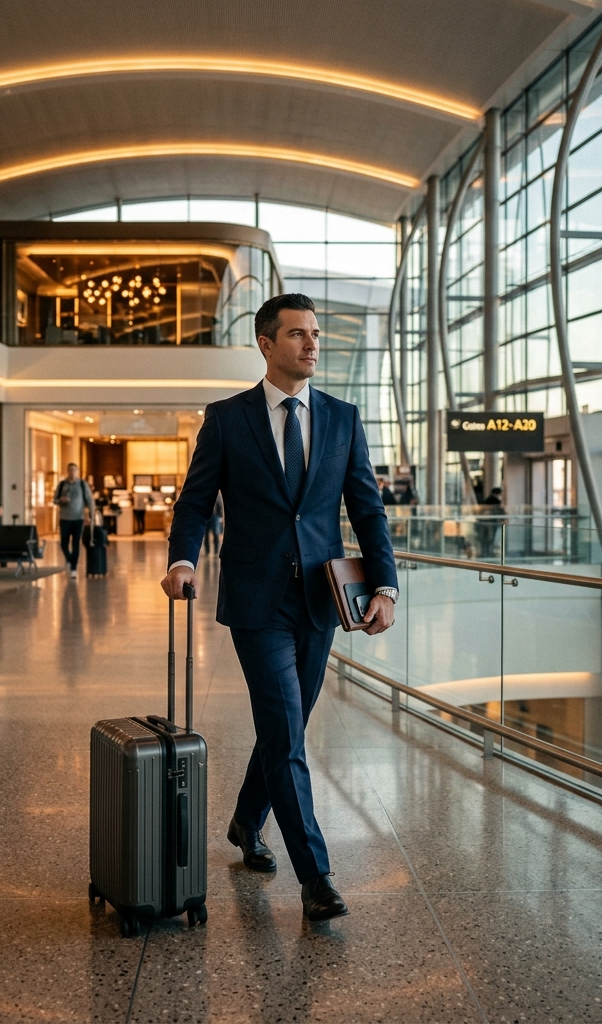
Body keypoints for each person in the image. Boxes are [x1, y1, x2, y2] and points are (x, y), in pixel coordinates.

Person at [162, 293, 398, 922]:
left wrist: (385, 586)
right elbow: (194, 503)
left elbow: (366, 510)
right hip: (256, 601)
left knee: (283, 730)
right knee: (287, 732)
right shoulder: (228, 418)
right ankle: (315, 876)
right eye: (298, 334)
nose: (313, 344)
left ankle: (246, 820)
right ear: (266, 344)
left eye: (316, 334)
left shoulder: (344, 419)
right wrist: (183, 560)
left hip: (322, 602)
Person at [54, 463, 95, 579]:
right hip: (65, 518)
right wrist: (61, 500)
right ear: (67, 471)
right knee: (63, 543)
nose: (72, 472)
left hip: (78, 518)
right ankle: (69, 558)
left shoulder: (82, 484)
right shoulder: (62, 485)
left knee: (76, 543)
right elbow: (55, 500)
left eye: (74, 470)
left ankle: (73, 568)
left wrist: (90, 515)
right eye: (70, 470)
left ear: (77, 472)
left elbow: (89, 500)